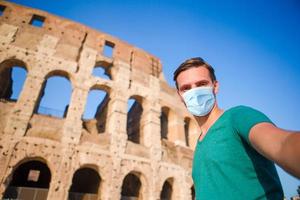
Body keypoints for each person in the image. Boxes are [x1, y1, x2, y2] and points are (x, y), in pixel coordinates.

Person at [173, 57, 300, 200]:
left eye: (202, 84)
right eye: (186, 88)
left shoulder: (238, 117)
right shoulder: (200, 145)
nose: (194, 92)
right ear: (180, 96)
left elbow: (282, 144)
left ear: (215, 86)